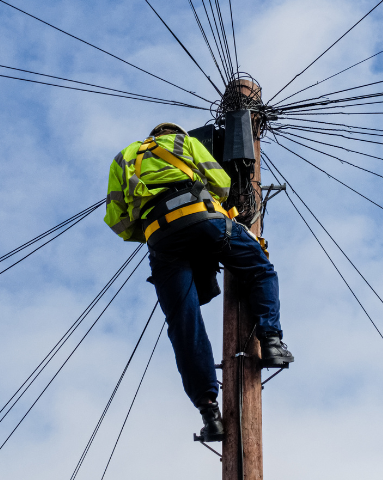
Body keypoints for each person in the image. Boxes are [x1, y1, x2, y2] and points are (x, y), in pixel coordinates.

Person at [104, 122, 293, 442]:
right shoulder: (185, 144)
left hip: (160, 238)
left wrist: (153, 227)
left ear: (151, 136)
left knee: (183, 320)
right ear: (174, 133)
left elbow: (118, 221)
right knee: (260, 269)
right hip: (202, 217)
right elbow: (220, 181)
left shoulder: (124, 158)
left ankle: (209, 413)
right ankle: (271, 342)